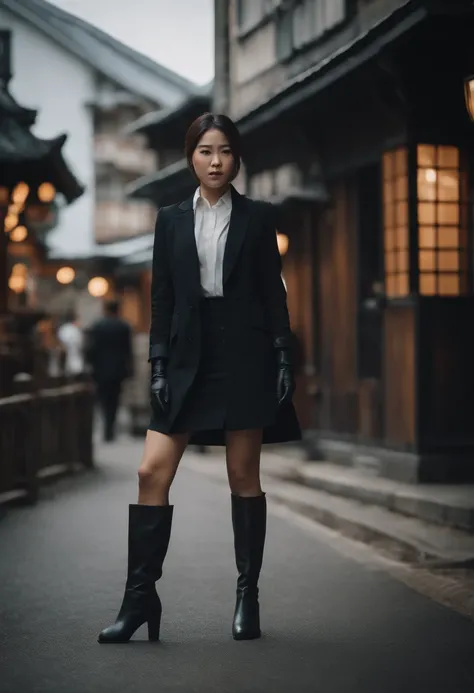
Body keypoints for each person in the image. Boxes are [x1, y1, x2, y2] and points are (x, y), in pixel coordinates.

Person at [98, 113, 301, 645]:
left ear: (237, 159)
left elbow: (272, 293)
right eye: (206, 151)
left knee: (242, 478)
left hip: (244, 354)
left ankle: (246, 596)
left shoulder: (257, 218)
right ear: (191, 156)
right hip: (187, 356)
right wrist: (158, 363)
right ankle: (139, 599)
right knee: (150, 471)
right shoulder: (168, 220)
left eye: (226, 151)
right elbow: (160, 298)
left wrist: (283, 355)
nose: (216, 161)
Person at [86, 299, 133, 442]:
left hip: (100, 369)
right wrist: (130, 369)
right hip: (118, 369)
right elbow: (128, 351)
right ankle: (110, 426)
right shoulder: (123, 327)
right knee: (114, 399)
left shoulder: (98, 326)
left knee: (102, 398)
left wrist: (90, 365)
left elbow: (91, 349)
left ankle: (107, 426)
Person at [57, 310, 84, 376]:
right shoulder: (72, 329)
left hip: (73, 356)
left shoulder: (64, 328)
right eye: (78, 319)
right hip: (70, 356)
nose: (80, 322)